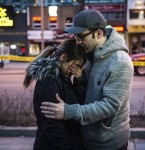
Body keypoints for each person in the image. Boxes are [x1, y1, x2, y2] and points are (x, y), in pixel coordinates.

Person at [40, 9, 134, 150]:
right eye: (76, 37)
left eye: (81, 36)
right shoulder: (91, 54)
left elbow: (109, 106)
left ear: (99, 33)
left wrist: (69, 111)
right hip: (88, 139)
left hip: (108, 143)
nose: (77, 42)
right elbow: (92, 93)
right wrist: (81, 79)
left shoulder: (120, 62)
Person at [23, 39, 87, 150]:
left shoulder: (63, 78)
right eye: (76, 64)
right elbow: (53, 126)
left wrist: (79, 80)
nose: (75, 70)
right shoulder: (50, 81)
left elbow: (78, 102)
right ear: (63, 57)